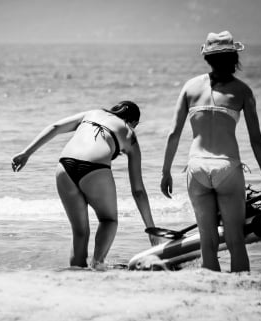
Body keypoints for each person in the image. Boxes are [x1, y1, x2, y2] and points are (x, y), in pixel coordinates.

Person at [160, 31, 261, 272]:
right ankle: (240, 288)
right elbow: (257, 140)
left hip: (196, 167)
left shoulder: (190, 87)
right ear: (234, 57)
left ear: (207, 59)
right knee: (234, 239)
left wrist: (165, 172)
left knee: (208, 240)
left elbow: (173, 134)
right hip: (227, 167)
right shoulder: (243, 91)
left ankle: (212, 288)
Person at [11, 101, 159, 270]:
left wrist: (26, 153)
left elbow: (55, 126)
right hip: (94, 169)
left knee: (80, 232)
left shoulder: (93, 113)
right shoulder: (129, 133)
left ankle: (77, 270)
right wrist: (150, 228)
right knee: (108, 220)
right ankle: (97, 264)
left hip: (64, 167)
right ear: (134, 122)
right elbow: (138, 190)